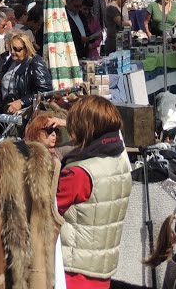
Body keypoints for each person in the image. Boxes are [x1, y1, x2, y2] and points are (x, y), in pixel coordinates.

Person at [57, 95, 132, 289]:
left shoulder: (80, 173)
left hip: (74, 271)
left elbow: (46, 210)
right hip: (101, 269)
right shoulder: (120, 161)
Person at [0, 30, 51, 115]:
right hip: (7, 113)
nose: (13, 52)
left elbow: (45, 92)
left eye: (17, 49)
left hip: (26, 115)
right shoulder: (10, 62)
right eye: (11, 48)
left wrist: (22, 102)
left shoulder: (35, 62)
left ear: (26, 48)